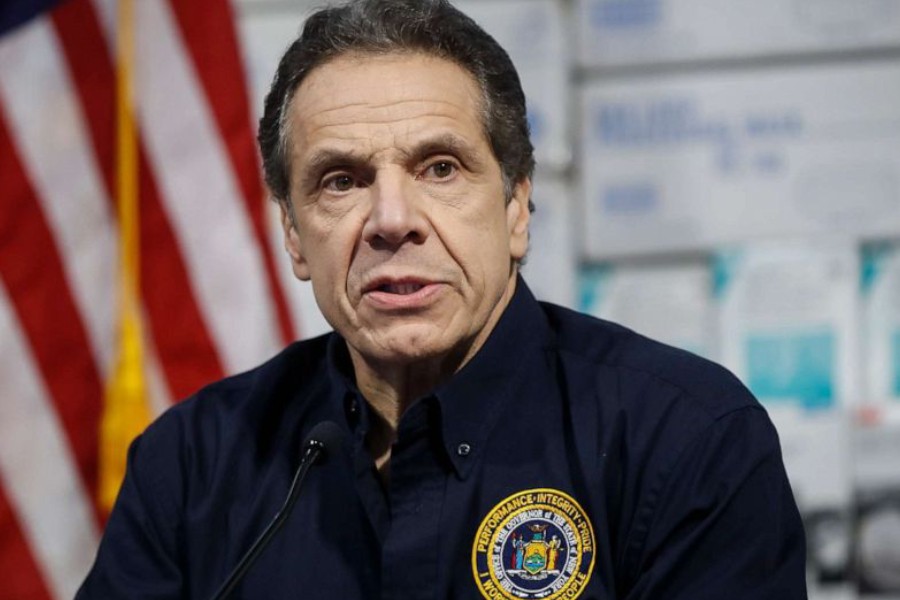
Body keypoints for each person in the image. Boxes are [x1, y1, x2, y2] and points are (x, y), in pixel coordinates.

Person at [77, 0, 808, 598]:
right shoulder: (192, 465)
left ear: (517, 209)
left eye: (439, 167)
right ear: (296, 237)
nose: (392, 219)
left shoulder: (686, 440)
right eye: (342, 181)